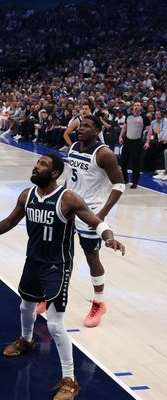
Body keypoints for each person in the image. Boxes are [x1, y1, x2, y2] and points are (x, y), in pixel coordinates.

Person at [0, 154, 125, 400]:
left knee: (54, 324)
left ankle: (70, 380)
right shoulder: (27, 195)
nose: (36, 166)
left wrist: (108, 237)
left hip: (57, 266)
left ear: (54, 174)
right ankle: (26, 340)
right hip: (33, 261)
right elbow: (10, 221)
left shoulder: (68, 198)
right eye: (37, 162)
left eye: (42, 164)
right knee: (25, 306)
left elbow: (95, 221)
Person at [61, 115, 125, 327]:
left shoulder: (104, 153)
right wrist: (60, 197)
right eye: (81, 126)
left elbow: (119, 185)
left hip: (90, 212)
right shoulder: (73, 147)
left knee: (91, 258)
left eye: (87, 126)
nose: (81, 129)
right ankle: (52, 295)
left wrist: (102, 215)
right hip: (69, 208)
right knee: (59, 254)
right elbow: (69, 177)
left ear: (97, 131)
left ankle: (99, 303)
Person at [119, 101, 152, 189]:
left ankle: (135, 182)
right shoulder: (128, 116)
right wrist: (120, 136)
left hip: (137, 142)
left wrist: (147, 141)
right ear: (133, 107)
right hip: (127, 141)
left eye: (138, 105)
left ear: (141, 107)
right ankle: (125, 179)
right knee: (123, 162)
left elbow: (149, 129)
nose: (137, 107)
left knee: (135, 163)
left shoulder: (144, 117)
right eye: (135, 105)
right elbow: (125, 126)